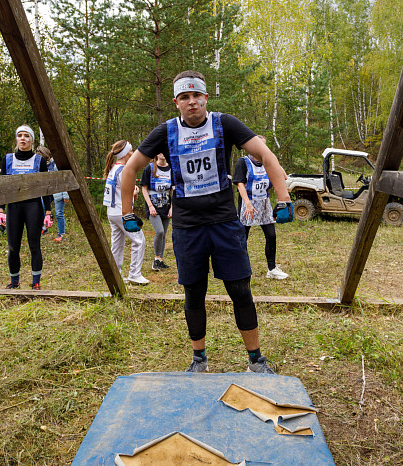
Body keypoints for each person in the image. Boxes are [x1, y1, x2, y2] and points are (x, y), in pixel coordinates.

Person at [119, 70, 293, 374]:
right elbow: (129, 171)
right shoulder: (166, 131)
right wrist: (127, 213)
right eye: (185, 97)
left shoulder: (225, 124)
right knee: (194, 293)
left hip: (224, 222)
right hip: (187, 227)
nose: (192, 102)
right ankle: (199, 359)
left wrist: (284, 199)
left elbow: (266, 155)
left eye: (197, 95)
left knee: (240, 290)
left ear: (206, 98)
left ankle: (256, 360)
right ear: (176, 102)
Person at [0, 125, 53, 290]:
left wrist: (48, 213)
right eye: (19, 135)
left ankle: (36, 282)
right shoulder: (7, 159)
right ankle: (14, 282)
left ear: (32, 140)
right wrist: (0, 210)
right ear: (16, 139)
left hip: (33, 207)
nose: (22, 138)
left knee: (34, 246)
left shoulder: (39, 160)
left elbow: (45, 189)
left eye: (26, 136)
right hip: (13, 207)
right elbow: (2, 187)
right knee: (13, 247)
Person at [233, 135, 289, 280]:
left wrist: (272, 159)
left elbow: (283, 176)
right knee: (242, 237)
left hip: (264, 204)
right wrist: (248, 204)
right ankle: (239, 268)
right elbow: (240, 184)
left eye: (264, 146)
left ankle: (272, 269)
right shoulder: (243, 162)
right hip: (248, 204)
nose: (261, 148)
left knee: (271, 236)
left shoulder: (267, 162)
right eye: (259, 145)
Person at [103, 140, 149, 285]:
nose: (132, 153)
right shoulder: (124, 170)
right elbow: (127, 192)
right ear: (125, 154)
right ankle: (134, 274)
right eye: (130, 151)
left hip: (111, 212)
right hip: (121, 212)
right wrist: (135, 192)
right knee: (139, 240)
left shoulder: (113, 168)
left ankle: (116, 275)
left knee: (117, 244)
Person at [140, 153, 173, 271]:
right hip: (153, 205)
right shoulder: (150, 168)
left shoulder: (171, 168)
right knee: (159, 231)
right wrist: (150, 206)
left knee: (164, 233)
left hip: (166, 205)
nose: (162, 154)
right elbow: (144, 188)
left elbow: (173, 189)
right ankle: (156, 260)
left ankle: (160, 260)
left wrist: (172, 207)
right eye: (159, 151)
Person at [37, 145, 69, 242]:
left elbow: (63, 180)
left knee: (59, 213)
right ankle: (44, 227)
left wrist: (66, 195)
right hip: (48, 192)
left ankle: (61, 234)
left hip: (59, 192)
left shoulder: (55, 164)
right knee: (42, 207)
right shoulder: (41, 165)